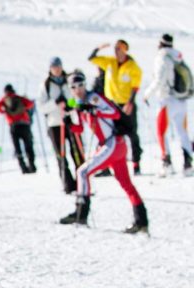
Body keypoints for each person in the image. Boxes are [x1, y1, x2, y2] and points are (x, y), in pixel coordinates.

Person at [59, 71, 148, 235]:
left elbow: (113, 112)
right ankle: (141, 220)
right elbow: (79, 129)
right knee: (125, 183)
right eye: (74, 87)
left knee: (83, 172)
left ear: (85, 85)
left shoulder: (93, 98)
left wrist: (94, 110)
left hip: (113, 144)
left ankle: (81, 214)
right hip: (111, 147)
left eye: (80, 85)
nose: (78, 90)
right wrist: (68, 123)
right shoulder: (79, 104)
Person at [89, 39, 143, 174]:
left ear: (125, 50)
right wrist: (98, 47)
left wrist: (130, 102)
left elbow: (135, 86)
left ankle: (136, 162)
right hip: (111, 104)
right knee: (109, 135)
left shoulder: (132, 66)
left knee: (131, 133)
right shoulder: (110, 62)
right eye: (115, 49)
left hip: (126, 104)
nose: (116, 51)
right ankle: (106, 165)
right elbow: (92, 58)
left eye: (119, 48)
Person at [143, 34, 192, 176]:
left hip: (166, 99)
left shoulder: (162, 58)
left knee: (161, 131)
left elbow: (159, 79)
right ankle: (188, 163)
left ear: (160, 43)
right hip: (181, 99)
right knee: (182, 132)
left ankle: (166, 163)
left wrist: (147, 93)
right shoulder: (178, 56)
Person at [39, 57, 84, 193]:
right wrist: (55, 103)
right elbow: (41, 107)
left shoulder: (69, 80)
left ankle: (82, 182)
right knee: (61, 155)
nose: (57, 69)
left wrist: (70, 105)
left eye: (58, 66)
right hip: (55, 123)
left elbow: (77, 97)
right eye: (54, 67)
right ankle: (67, 184)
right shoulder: (45, 85)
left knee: (77, 152)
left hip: (71, 120)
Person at [0, 84, 36, 174]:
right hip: (24, 124)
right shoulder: (19, 98)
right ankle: (32, 165)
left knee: (17, 147)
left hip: (13, 126)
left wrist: (4, 110)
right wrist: (24, 108)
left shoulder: (4, 100)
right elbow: (30, 104)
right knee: (28, 145)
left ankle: (23, 167)